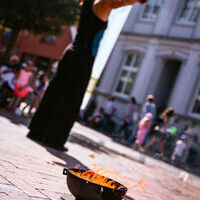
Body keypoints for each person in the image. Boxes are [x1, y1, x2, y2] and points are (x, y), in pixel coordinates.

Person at [27, 0, 147, 151]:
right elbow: (116, 3)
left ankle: (37, 132)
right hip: (83, 57)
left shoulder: (86, 3)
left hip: (70, 52)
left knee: (55, 92)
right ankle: (54, 139)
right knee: (71, 99)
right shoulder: (100, 5)